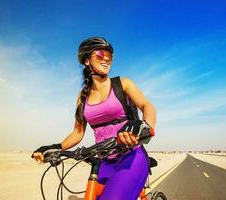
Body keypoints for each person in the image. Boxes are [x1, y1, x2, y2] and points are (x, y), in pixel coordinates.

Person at [32, 36, 156, 200]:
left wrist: (142, 126)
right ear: (86, 61)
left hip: (131, 157)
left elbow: (148, 107)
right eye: (99, 54)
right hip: (104, 161)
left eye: (109, 56)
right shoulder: (82, 97)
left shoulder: (122, 84)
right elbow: (77, 132)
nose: (106, 58)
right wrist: (54, 147)